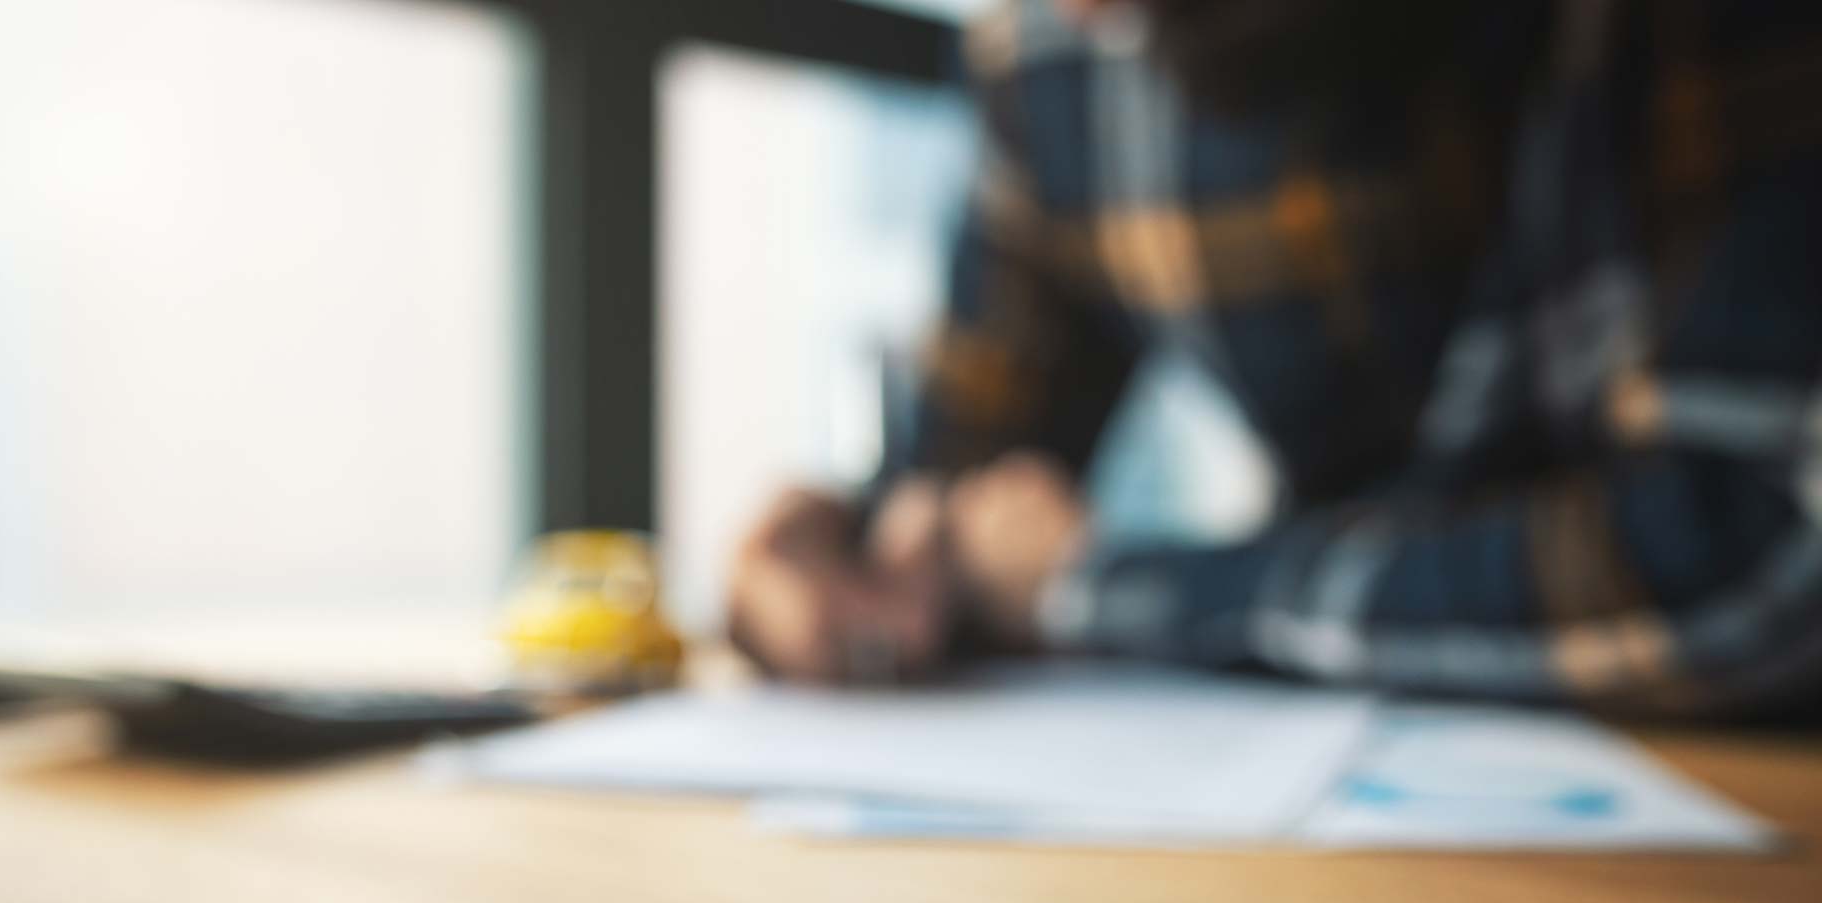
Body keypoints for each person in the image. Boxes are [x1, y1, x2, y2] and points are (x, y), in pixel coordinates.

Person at [727, 0, 1822, 719]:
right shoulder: (1055, 66)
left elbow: (1764, 556)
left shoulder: (1696, 30)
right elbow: (961, 508)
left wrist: (1110, 589)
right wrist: (835, 553)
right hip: (1339, 818)